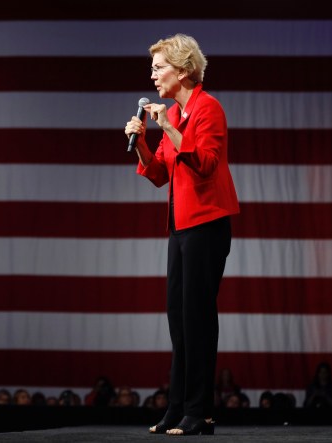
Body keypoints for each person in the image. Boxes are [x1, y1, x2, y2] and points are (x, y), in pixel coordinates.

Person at [125, 33, 239, 436]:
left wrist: (169, 128)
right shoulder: (174, 114)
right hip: (180, 228)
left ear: (184, 69)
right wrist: (140, 141)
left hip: (207, 224)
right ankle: (176, 408)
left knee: (198, 319)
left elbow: (205, 163)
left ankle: (199, 412)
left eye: (159, 68)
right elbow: (158, 175)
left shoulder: (208, 109)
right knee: (178, 319)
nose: (153, 76)